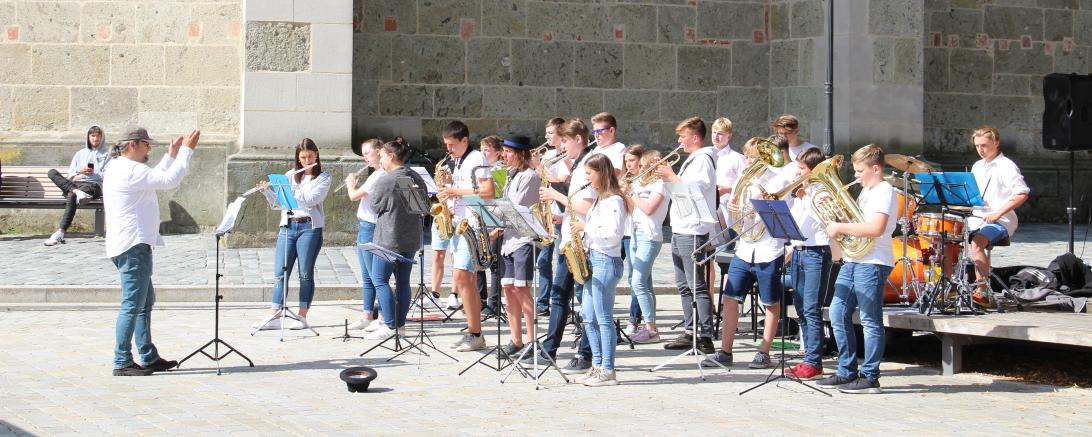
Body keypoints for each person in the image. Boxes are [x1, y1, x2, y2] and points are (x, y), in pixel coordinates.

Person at [104, 127, 200, 376]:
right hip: (133, 245)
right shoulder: (130, 170)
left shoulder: (121, 166)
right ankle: (122, 360)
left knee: (144, 302)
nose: (150, 149)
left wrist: (171, 155)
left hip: (132, 244)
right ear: (133, 145)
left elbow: (154, 176)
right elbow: (168, 181)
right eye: (147, 144)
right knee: (132, 304)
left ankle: (148, 356)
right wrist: (186, 151)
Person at [817, 144, 898, 394]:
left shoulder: (884, 190)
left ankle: (871, 375)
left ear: (876, 168)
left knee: (869, 320)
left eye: (860, 171)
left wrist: (840, 228)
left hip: (873, 262)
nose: (856, 176)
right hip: (855, 260)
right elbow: (856, 223)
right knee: (838, 313)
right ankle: (846, 370)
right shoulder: (866, 192)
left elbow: (875, 228)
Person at [711, 135, 794, 369]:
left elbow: (783, 213)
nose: (748, 160)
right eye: (747, 156)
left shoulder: (776, 181)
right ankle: (725, 351)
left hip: (769, 247)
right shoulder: (742, 180)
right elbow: (735, 220)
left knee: (770, 301)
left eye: (753, 156)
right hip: (745, 247)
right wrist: (732, 207)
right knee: (730, 298)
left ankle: (764, 351)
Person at [529, 118, 596, 374]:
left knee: (586, 301)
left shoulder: (590, 163)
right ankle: (549, 349)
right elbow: (575, 205)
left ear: (578, 139)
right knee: (559, 294)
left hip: (585, 243)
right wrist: (560, 217)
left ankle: (585, 354)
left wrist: (557, 196)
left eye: (565, 140)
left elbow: (590, 207)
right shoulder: (578, 164)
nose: (562, 145)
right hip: (569, 239)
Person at [253, 138, 332, 331]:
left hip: (309, 228)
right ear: (297, 157)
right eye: (303, 157)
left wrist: (290, 192)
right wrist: (267, 192)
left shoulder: (323, 177)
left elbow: (312, 200)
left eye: (310, 157)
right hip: (288, 226)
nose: (306, 160)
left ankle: (302, 316)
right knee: (280, 273)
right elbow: (280, 203)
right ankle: (274, 316)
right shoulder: (290, 175)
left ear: (316, 155)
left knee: (305, 274)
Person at [657, 117, 718, 354]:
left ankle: (705, 335)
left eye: (682, 136)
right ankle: (690, 330)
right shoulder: (693, 160)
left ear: (695, 137)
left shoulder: (703, 160)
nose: (679, 141)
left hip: (694, 229)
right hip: (680, 227)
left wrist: (670, 176)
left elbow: (696, 189)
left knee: (696, 285)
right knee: (683, 284)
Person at [569, 154, 629, 386]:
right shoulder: (600, 200)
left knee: (603, 318)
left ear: (601, 173)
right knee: (588, 316)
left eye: (589, 174)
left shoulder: (614, 201)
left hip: (606, 260)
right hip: (594, 258)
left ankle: (608, 369)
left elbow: (612, 235)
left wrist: (586, 226)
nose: (587, 179)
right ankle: (597, 365)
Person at [438, 121, 494, 352]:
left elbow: (489, 192)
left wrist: (455, 191)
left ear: (464, 141)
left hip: (473, 225)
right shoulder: (459, 161)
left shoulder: (477, 159)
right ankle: (473, 330)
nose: (448, 149)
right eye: (446, 145)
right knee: (464, 280)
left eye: (452, 145)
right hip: (459, 223)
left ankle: (476, 332)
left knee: (462, 277)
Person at [365, 140, 430, 340]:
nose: (381, 160)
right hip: (410, 238)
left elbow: (375, 207)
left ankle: (390, 325)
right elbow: (423, 207)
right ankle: (400, 326)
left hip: (388, 238)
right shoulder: (414, 176)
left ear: (391, 156)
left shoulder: (386, 179)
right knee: (403, 281)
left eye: (382, 156)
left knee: (380, 280)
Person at [966, 125, 1030, 306]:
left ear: (996, 142)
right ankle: (949, 288)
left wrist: (997, 213)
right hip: (976, 218)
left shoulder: (1007, 166)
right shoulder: (977, 166)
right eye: (977, 146)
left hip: (1001, 220)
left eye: (984, 145)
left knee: (977, 241)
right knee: (945, 237)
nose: (980, 150)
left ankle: (983, 291)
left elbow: (1022, 194)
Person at [784, 147, 833, 380]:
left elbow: (824, 219)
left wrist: (804, 196)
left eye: (801, 169)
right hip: (800, 251)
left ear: (814, 170)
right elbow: (797, 222)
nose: (797, 173)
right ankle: (807, 358)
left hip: (816, 253)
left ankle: (815, 362)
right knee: (800, 307)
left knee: (812, 308)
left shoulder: (822, 192)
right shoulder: (801, 193)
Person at [489, 135, 540, 356]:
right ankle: (515, 339)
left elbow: (515, 208)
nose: (504, 156)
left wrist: (496, 222)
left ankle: (532, 340)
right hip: (508, 239)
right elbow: (498, 202)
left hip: (523, 239)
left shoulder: (528, 176)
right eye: (504, 152)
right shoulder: (508, 175)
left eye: (508, 152)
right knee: (508, 288)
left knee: (522, 288)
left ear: (520, 154)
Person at [625, 148, 669, 344]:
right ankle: (651, 327)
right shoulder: (639, 183)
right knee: (646, 283)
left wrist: (632, 194)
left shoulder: (660, 185)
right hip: (635, 233)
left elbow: (650, 209)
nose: (639, 169)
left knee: (638, 282)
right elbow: (631, 209)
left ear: (652, 166)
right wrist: (625, 194)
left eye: (643, 166)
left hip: (650, 235)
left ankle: (651, 329)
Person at [45, 125, 111, 246]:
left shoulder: (107, 155)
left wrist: (93, 174)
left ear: (102, 137)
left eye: (98, 136)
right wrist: (79, 172)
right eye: (93, 136)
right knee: (52, 172)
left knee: (71, 195)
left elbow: (108, 176)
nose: (95, 139)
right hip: (77, 184)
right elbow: (71, 175)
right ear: (88, 137)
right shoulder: (80, 153)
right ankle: (77, 192)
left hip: (93, 185)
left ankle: (60, 232)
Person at [345, 139, 387, 331]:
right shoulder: (375, 175)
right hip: (364, 225)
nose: (365, 158)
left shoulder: (379, 175)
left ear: (379, 152)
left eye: (367, 153)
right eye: (363, 154)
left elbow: (353, 196)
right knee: (366, 274)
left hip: (371, 227)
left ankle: (383, 317)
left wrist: (350, 184)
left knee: (375, 274)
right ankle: (367, 315)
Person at [535, 117, 566, 315]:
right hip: (546, 212)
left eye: (550, 133)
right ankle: (543, 301)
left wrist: (538, 166)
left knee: (562, 259)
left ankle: (559, 299)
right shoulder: (549, 155)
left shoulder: (564, 158)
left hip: (560, 213)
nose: (546, 136)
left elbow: (561, 182)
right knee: (543, 260)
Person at [476, 135, 504, 317]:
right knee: (477, 260)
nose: (483, 153)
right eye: (482, 149)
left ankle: (494, 303)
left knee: (494, 263)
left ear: (498, 153)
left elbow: (500, 198)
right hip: (479, 216)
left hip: (494, 217)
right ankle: (479, 300)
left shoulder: (500, 171)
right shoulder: (479, 169)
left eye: (487, 150)